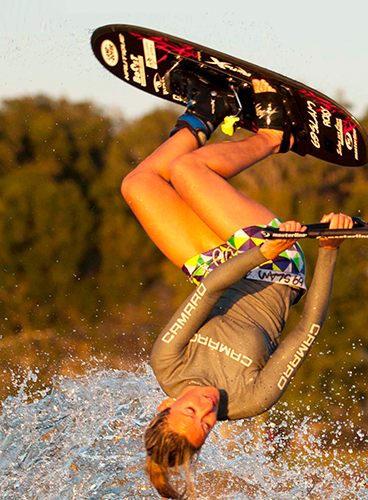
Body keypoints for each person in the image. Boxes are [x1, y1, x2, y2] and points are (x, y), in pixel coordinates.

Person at [119, 75, 352, 499]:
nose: (208, 407)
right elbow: (308, 328)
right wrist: (330, 249)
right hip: (277, 269)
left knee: (138, 185)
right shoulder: (250, 401)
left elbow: (207, 291)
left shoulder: (166, 364)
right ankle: (272, 136)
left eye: (191, 410)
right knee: (190, 169)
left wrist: (255, 251)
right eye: (207, 424)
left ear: (165, 406)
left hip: (225, 268)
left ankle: (206, 110)